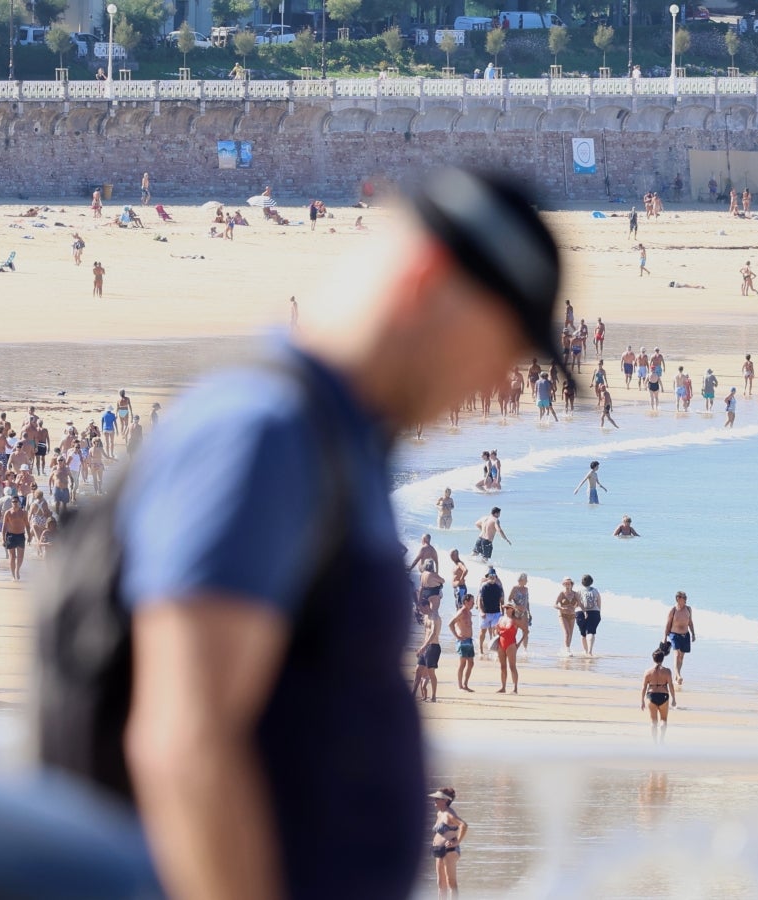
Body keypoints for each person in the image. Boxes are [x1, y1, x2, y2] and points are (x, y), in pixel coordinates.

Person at [115, 168, 568, 900]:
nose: (497, 383)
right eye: (502, 347)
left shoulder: (334, 443)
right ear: (427, 281)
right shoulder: (263, 431)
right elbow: (182, 743)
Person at [428, 788, 467, 899]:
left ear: (445, 800)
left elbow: (463, 825)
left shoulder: (449, 813)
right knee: (440, 884)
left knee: (451, 882)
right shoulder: (440, 813)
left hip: (450, 851)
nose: (434, 800)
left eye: (437, 798)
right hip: (438, 851)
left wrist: (457, 842)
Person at [639, 648, 676, 743]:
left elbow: (643, 687)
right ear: (663, 659)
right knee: (663, 720)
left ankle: (654, 742)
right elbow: (671, 685)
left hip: (651, 696)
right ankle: (661, 740)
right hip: (663, 695)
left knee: (653, 722)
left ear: (653, 659)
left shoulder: (647, 672)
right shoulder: (667, 671)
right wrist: (673, 699)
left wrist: (642, 701)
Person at [664, 591, 695, 685]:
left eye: (686, 597)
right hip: (674, 634)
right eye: (684, 597)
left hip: (685, 635)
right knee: (677, 654)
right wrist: (664, 637)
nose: (685, 599)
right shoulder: (673, 610)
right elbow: (668, 624)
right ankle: (678, 675)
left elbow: (690, 622)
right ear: (678, 598)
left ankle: (676, 676)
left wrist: (693, 634)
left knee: (681, 657)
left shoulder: (689, 609)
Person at [494, 602, 525, 693]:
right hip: (501, 643)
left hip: (511, 644)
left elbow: (526, 631)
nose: (506, 609)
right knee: (502, 667)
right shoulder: (500, 618)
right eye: (505, 607)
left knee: (512, 666)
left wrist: (519, 644)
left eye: (508, 608)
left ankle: (515, 688)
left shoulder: (515, 620)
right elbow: (496, 632)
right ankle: (503, 687)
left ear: (512, 609)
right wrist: (496, 631)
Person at [449, 596, 475, 692]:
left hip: (469, 640)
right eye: (472, 602)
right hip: (462, 641)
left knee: (471, 663)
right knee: (462, 663)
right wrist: (457, 636)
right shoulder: (461, 612)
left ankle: (465, 684)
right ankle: (460, 686)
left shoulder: (469, 613)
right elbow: (450, 624)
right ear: (466, 602)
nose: (473, 604)